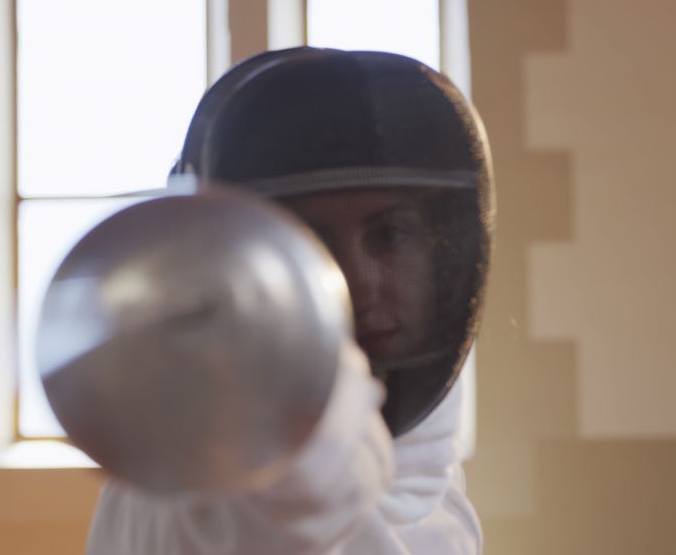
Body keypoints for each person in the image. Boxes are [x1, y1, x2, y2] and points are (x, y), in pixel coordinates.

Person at [84, 47, 494, 554]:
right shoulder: (203, 481)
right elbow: (289, 503)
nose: (360, 284)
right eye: (309, 243)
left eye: (389, 235)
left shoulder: (429, 467)